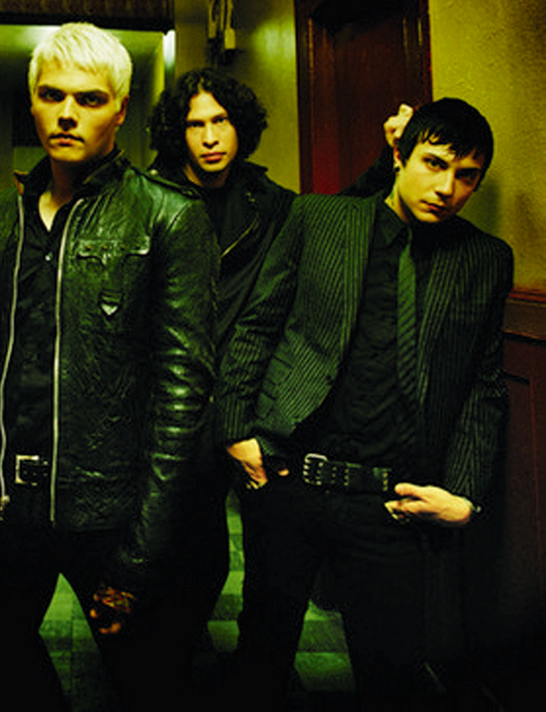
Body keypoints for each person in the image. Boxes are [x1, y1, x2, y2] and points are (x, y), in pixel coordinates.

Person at [0, 22, 217, 710]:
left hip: (107, 514)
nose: (67, 113)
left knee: (148, 682)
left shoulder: (168, 218)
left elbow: (180, 397)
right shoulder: (0, 219)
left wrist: (142, 551)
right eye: (52, 96)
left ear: (121, 109)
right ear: (32, 103)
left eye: (89, 98)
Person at [216, 97, 513, 710]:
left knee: (393, 672)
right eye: (434, 164)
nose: (447, 188)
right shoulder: (320, 219)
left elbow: (483, 386)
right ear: (399, 155)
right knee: (262, 654)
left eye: (467, 176)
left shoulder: (485, 260)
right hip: (290, 479)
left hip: (392, 500)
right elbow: (258, 324)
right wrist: (236, 429)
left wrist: (466, 495)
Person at [147, 69, 410, 681]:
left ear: (240, 126)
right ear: (177, 134)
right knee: (189, 558)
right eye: (195, 124)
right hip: (175, 403)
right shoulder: (151, 197)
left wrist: (389, 160)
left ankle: (249, 678)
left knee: (269, 565)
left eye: (221, 121)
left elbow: (337, 219)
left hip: (248, 403)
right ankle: (161, 674)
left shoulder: (266, 203)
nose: (210, 137)